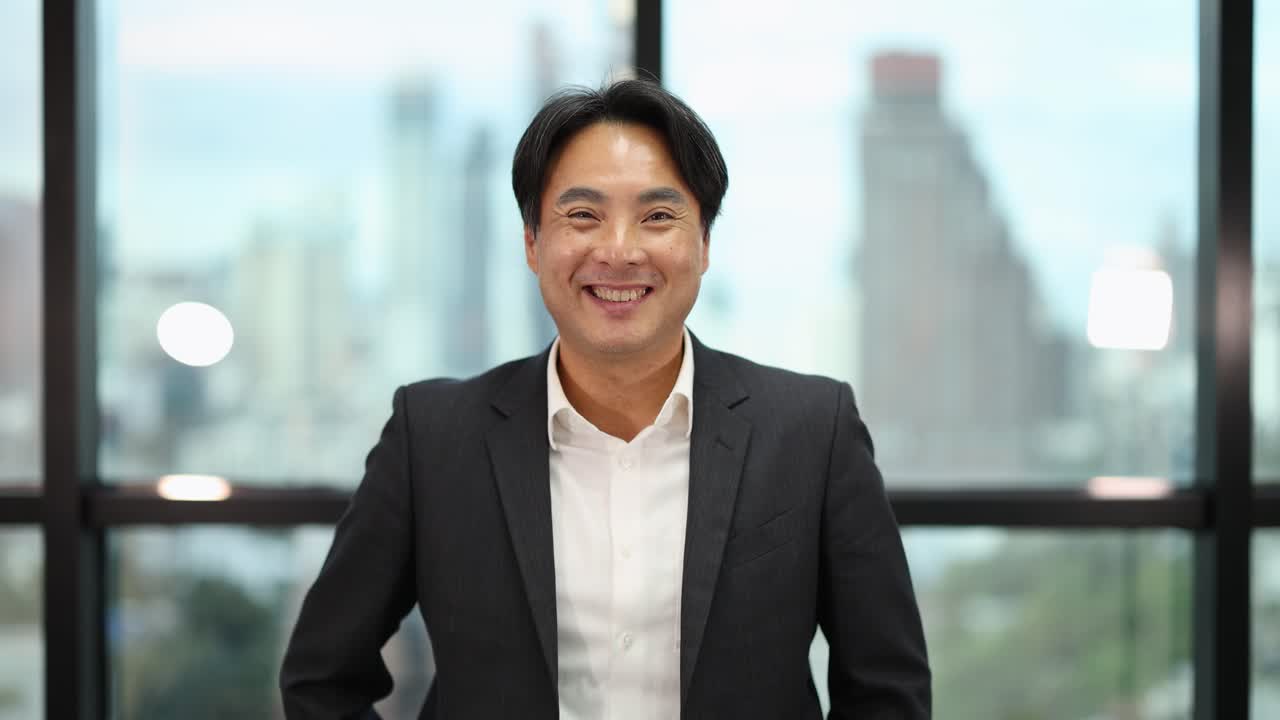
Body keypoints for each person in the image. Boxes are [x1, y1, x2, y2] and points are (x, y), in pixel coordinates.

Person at [280, 79, 930, 719]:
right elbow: (322, 677)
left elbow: (887, 695)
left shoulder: (813, 433)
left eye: (657, 216)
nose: (619, 251)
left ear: (703, 244)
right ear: (532, 243)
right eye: (583, 215)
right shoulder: (432, 439)